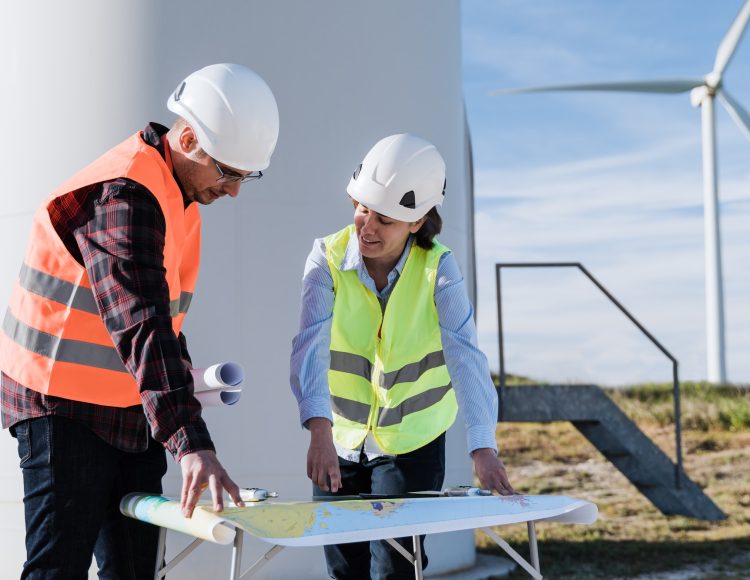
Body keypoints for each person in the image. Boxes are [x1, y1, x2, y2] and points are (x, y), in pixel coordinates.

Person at [0, 63, 279, 579]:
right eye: (230, 173)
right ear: (189, 137)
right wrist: (190, 441)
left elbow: (163, 319)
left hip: (128, 409)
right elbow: (141, 323)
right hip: (60, 406)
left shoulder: (179, 199)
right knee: (58, 569)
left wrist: (187, 388)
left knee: (134, 570)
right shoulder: (124, 195)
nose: (236, 191)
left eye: (246, 176)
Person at [290, 133, 515, 579]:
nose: (367, 227)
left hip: (412, 441)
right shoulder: (326, 258)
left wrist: (483, 446)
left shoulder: (439, 268)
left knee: (394, 568)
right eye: (362, 209)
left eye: (385, 219)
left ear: (416, 222)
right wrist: (318, 428)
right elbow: (309, 345)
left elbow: (464, 353)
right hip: (340, 436)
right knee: (342, 569)